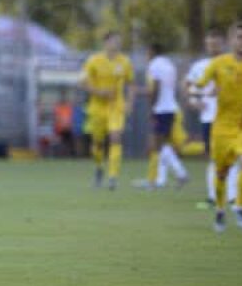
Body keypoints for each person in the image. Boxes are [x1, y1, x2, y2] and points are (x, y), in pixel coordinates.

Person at [193, 22, 242, 232]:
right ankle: (220, 209)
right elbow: (197, 84)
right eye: (240, 37)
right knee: (222, 173)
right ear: (231, 41)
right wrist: (198, 94)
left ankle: (240, 206)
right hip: (221, 127)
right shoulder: (218, 63)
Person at [79, 31, 134, 191]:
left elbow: (131, 84)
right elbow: (82, 83)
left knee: (115, 137)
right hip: (97, 107)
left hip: (116, 106)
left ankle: (113, 176)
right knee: (97, 142)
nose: (116, 44)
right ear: (106, 43)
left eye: (118, 41)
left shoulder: (125, 62)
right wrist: (99, 92)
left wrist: (129, 102)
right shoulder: (93, 60)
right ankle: (98, 167)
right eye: (113, 41)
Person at [185, 28, 226, 207]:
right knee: (212, 157)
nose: (212, 46)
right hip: (208, 117)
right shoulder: (199, 66)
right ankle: (213, 197)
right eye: (210, 43)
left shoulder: (230, 63)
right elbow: (189, 87)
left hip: (230, 118)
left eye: (216, 42)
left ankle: (231, 197)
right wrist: (194, 101)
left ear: (223, 43)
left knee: (233, 157)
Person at [142, 43, 187, 189]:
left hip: (161, 109)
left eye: (147, 52)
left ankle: (181, 173)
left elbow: (156, 87)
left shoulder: (154, 65)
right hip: (171, 107)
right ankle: (161, 180)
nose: (146, 55)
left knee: (158, 145)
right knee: (162, 145)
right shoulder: (169, 65)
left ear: (152, 51)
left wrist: (152, 107)